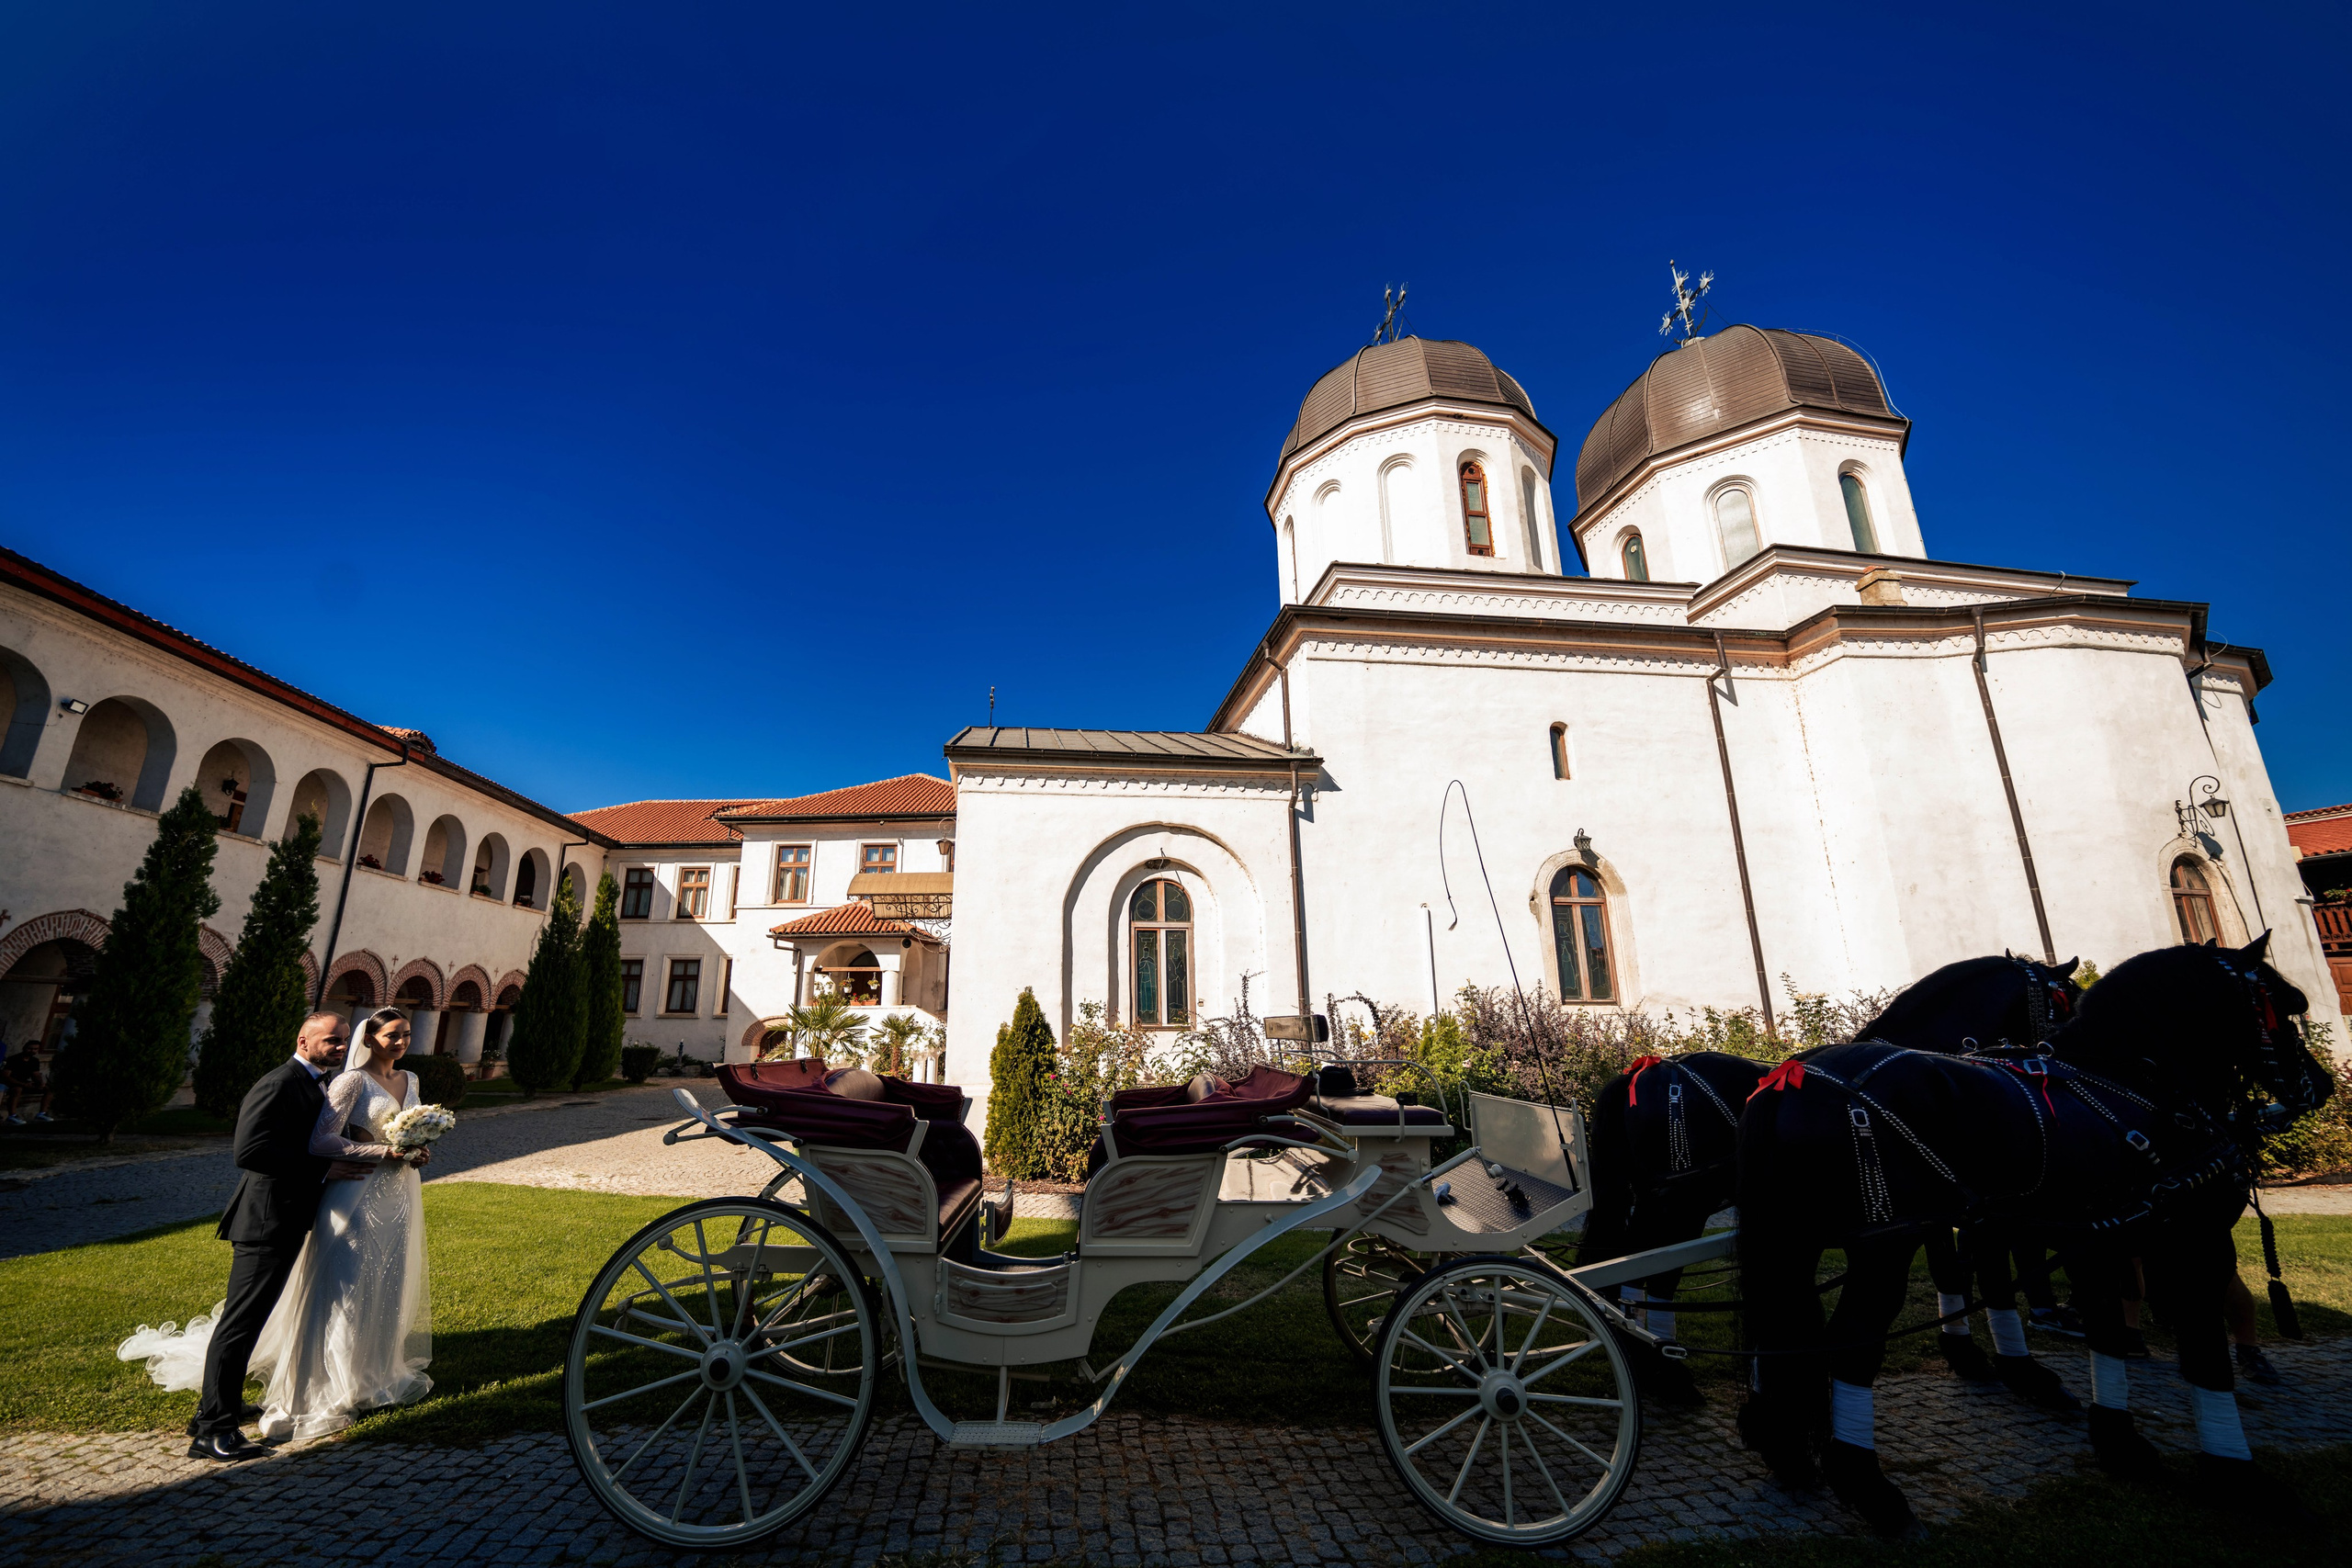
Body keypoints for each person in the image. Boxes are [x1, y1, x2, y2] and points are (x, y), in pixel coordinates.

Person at [117, 1012, 379, 1461]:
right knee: (240, 1324)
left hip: (289, 1216)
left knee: (251, 1321)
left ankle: (217, 1409)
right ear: (304, 1041)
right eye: (330, 1040)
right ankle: (212, 1432)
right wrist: (323, 1168)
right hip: (266, 1220)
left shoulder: (318, 1083)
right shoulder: (279, 1082)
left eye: (342, 1040)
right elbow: (250, 1150)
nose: (339, 1046)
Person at [244, 1005, 435, 1441]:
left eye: (406, 1034)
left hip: (400, 1192)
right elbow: (321, 1140)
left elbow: (411, 1130)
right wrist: (383, 1152)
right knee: (346, 1287)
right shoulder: (351, 1081)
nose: (401, 1042)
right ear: (369, 1039)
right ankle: (328, 1386)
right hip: (357, 1192)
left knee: (387, 1280)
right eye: (392, 1035)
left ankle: (374, 1375)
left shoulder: (412, 1079)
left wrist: (418, 1150)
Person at [3, 1040, 51, 1124]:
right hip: (12, 1083)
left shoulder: (34, 1061)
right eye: (30, 1048)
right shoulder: (13, 1059)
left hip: (25, 1083)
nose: (32, 1051)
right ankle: (12, 1116)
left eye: (35, 1049)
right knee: (17, 1089)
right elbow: (6, 1076)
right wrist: (23, 1084)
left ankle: (42, 1113)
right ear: (24, 1048)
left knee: (49, 1089)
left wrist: (40, 1083)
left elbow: (36, 1075)